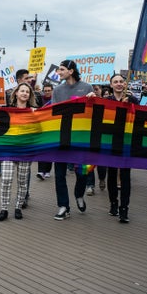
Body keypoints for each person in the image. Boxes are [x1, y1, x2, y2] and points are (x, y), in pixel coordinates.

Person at [51, 60, 96, 220]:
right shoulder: (57, 90)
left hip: (81, 139)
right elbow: (53, 112)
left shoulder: (87, 88)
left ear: (71, 71)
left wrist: (92, 100)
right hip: (62, 138)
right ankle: (63, 206)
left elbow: (93, 112)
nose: (59, 72)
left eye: (62, 69)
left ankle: (79, 194)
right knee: (59, 174)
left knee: (82, 173)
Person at [0, 82, 37, 221]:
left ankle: (18, 207)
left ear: (29, 95)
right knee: (6, 179)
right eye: (22, 91)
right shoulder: (8, 110)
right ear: (16, 93)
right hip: (8, 150)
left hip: (25, 151)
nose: (25, 93)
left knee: (22, 181)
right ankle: (4, 209)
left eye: (27, 91)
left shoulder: (34, 112)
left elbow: (39, 131)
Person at [105, 74, 139, 223]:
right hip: (111, 142)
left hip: (127, 142)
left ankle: (124, 208)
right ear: (111, 85)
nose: (119, 84)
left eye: (121, 81)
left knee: (125, 175)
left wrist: (129, 107)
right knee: (111, 174)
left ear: (125, 84)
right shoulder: (107, 101)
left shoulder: (133, 100)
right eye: (115, 82)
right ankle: (113, 203)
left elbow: (139, 119)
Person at [35, 82, 55, 180]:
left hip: (51, 129)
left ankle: (47, 171)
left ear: (52, 91)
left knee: (49, 150)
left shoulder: (55, 100)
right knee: (40, 149)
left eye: (49, 90)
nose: (47, 92)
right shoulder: (40, 100)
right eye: (45, 90)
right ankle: (40, 171)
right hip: (41, 129)